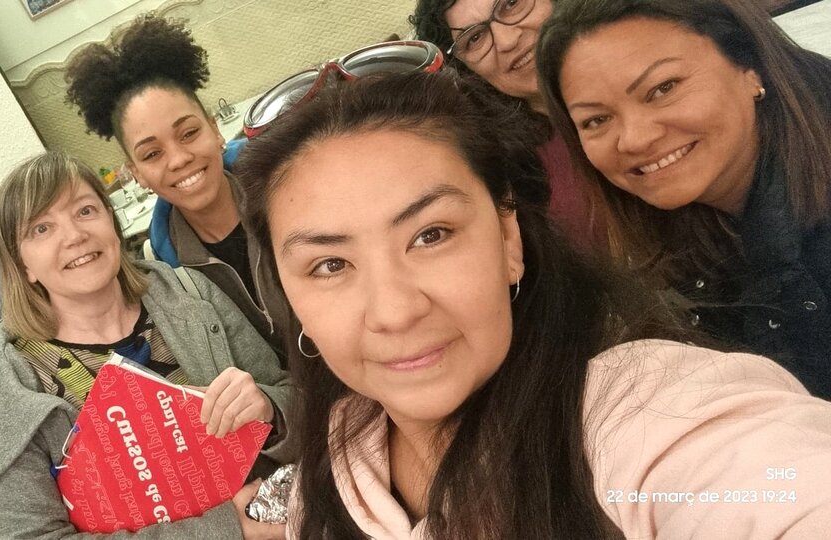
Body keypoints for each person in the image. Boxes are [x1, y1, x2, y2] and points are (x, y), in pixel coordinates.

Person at [234, 68, 831, 538]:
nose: (394, 312)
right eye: (330, 265)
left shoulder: (646, 417)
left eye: (431, 235)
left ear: (508, 239)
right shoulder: (335, 462)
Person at [0, 152, 291, 538]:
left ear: (112, 224)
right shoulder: (4, 383)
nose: (74, 235)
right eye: (42, 228)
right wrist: (224, 530)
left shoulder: (189, 293)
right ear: (23, 265)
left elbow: (297, 400)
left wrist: (269, 406)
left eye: (85, 211)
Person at [536, 0, 831, 398]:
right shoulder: (681, 251)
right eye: (597, 120)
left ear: (751, 67)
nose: (635, 139)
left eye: (663, 88)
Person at [63, 15, 291, 363]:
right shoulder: (166, 273)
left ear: (215, 130)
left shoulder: (285, 186)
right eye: (152, 154)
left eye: (189, 133)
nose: (179, 159)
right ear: (136, 173)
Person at [410, 0, 608, 252]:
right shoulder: (498, 171)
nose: (507, 41)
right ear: (465, 70)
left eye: (511, 4)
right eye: (475, 38)